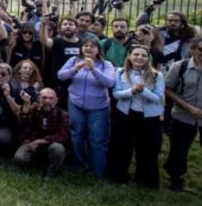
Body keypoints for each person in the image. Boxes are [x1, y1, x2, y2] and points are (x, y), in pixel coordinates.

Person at [57, 37, 116, 178]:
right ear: (81, 48)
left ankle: (98, 171)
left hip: (98, 107)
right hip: (76, 104)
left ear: (98, 50)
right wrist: (76, 68)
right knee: (76, 135)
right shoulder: (73, 60)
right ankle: (80, 166)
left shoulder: (106, 64)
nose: (89, 48)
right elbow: (61, 76)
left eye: (92, 46)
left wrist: (93, 69)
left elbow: (109, 83)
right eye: (86, 46)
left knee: (97, 139)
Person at [107, 45, 165, 188]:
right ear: (130, 56)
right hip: (126, 114)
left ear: (148, 58)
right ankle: (119, 176)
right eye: (136, 54)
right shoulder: (120, 72)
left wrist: (143, 91)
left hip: (149, 117)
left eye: (143, 55)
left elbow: (157, 98)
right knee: (122, 146)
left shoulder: (157, 75)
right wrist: (132, 91)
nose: (139, 57)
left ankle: (145, 179)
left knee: (148, 148)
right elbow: (116, 94)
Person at [163, 35, 202, 192]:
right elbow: (167, 89)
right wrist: (188, 107)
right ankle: (175, 178)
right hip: (183, 116)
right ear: (192, 50)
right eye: (201, 49)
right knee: (179, 150)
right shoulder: (180, 66)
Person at [13, 88, 69, 177]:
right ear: (39, 99)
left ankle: (50, 172)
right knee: (20, 158)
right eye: (44, 98)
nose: (47, 101)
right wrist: (27, 103)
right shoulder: (33, 109)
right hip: (31, 142)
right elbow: (23, 120)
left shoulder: (62, 114)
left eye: (51, 98)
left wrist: (39, 141)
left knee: (58, 148)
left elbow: (62, 135)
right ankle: (38, 163)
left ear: (56, 101)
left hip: (50, 144)